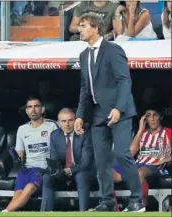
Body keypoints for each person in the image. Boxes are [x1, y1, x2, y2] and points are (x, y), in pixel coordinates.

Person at [74, 14, 144, 212]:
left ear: (96, 28)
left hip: (119, 112)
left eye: (83, 26)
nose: (80, 30)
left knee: (122, 154)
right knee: (101, 160)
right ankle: (107, 201)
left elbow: (124, 81)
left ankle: (137, 199)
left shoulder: (113, 50)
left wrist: (118, 108)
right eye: (79, 26)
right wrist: (80, 115)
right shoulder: (83, 55)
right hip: (96, 114)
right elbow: (85, 89)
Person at [2, 97, 58, 212]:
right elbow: (20, 155)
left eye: (36, 106)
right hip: (27, 169)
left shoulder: (52, 125)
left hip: (43, 168)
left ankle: (5, 212)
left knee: (29, 188)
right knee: (18, 193)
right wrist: (15, 157)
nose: (33, 109)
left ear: (42, 110)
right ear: (27, 111)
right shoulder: (22, 129)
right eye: (30, 107)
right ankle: (7, 212)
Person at [113, 109, 171, 208]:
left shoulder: (168, 132)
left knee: (141, 172)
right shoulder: (142, 133)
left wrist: (164, 160)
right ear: (145, 119)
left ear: (160, 117)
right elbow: (130, 153)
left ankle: (138, 205)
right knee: (106, 173)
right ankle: (114, 209)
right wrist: (140, 130)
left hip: (156, 168)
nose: (152, 119)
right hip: (137, 166)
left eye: (155, 115)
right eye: (148, 116)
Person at [41, 108, 93, 211]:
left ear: (76, 121)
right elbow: (54, 160)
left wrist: (70, 170)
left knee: (81, 175)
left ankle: (83, 212)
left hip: (83, 172)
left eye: (70, 120)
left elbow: (86, 162)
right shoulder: (55, 135)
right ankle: (45, 213)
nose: (67, 124)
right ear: (59, 122)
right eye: (63, 121)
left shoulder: (84, 134)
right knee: (47, 177)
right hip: (63, 173)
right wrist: (57, 171)